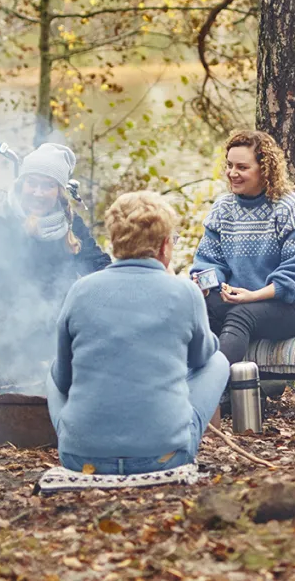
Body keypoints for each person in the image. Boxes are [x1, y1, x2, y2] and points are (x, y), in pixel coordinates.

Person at [47, 191, 229, 475]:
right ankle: (166, 430)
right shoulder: (185, 292)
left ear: (115, 241)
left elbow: (63, 379)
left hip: (81, 460)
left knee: (51, 371)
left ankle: (80, 437)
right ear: (165, 246)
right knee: (218, 361)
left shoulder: (80, 290)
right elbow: (201, 359)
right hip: (164, 457)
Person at [0, 143, 109, 374]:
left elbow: (96, 264)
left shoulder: (70, 224)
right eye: (32, 183)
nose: (37, 192)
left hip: (47, 320)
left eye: (47, 186)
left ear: (59, 191)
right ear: (21, 185)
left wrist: (124, 278)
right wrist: (24, 237)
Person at [189, 130, 295, 365]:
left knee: (241, 315)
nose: (233, 173)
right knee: (196, 308)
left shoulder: (289, 208)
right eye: (229, 165)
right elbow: (210, 262)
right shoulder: (223, 208)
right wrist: (202, 286)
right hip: (241, 300)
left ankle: (213, 385)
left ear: (264, 169)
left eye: (242, 167)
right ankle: (186, 386)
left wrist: (253, 296)